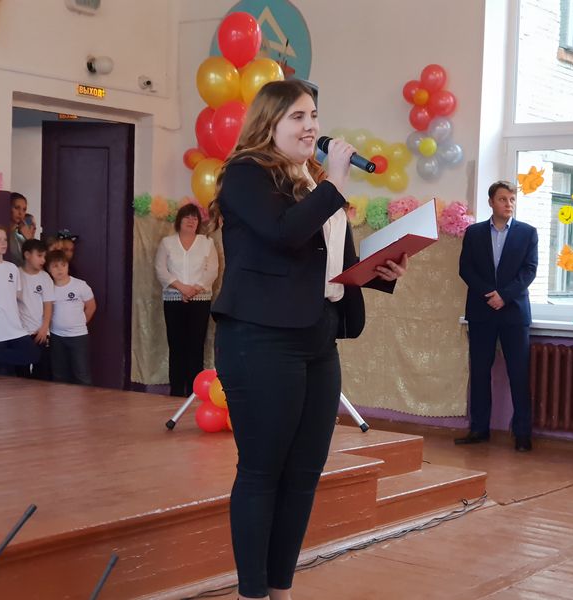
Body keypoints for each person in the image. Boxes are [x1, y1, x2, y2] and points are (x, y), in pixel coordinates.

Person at [212, 80, 407, 600]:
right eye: (298, 116)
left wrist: (381, 270)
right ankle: (252, 593)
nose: (312, 126)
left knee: (304, 472)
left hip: (318, 334)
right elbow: (284, 234)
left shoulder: (311, 180)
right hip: (260, 338)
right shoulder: (246, 174)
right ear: (269, 123)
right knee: (262, 470)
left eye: (314, 115)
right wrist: (335, 184)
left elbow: (326, 259)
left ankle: (281, 589)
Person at [456, 181, 539, 451]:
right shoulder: (474, 232)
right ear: (491, 202)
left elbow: (529, 271)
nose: (508, 204)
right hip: (482, 312)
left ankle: (522, 433)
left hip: (514, 312)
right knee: (480, 372)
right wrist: (489, 294)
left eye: (512, 199)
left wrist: (504, 295)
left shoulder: (528, 233)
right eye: (503, 199)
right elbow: (465, 269)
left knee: (519, 373)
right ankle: (479, 429)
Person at [155, 202, 219, 397]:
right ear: (179, 220)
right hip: (174, 299)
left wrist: (195, 289)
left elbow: (212, 270)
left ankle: (194, 392)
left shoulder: (207, 242)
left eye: (195, 218)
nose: (191, 221)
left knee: (196, 346)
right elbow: (160, 269)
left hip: (200, 300)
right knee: (176, 345)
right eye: (187, 217)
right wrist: (181, 287)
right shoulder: (167, 242)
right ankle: (176, 391)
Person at [0, 226, 40, 375]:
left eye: (5, 239)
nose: (3, 243)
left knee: (33, 354)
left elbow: (16, 295)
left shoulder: (12, 268)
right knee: (2, 375)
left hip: (13, 327)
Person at [45, 250, 96, 385]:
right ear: (49, 269)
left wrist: (79, 323)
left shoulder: (80, 285)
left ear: (68, 266)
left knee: (81, 374)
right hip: (57, 336)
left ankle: (84, 399)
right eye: (55, 266)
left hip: (78, 336)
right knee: (59, 374)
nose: (60, 269)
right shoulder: (48, 288)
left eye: (63, 265)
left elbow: (91, 307)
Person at [16, 239, 54, 379]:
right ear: (27, 255)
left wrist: (45, 327)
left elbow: (48, 304)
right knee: (22, 373)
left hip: (40, 332)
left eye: (44, 256)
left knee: (42, 372)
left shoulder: (45, 278)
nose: (43, 260)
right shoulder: (16, 274)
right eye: (39, 256)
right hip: (20, 332)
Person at [7, 193, 35, 267]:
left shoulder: (21, 236)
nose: (21, 213)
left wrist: (29, 239)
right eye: (17, 208)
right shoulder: (2, 233)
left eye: (24, 209)